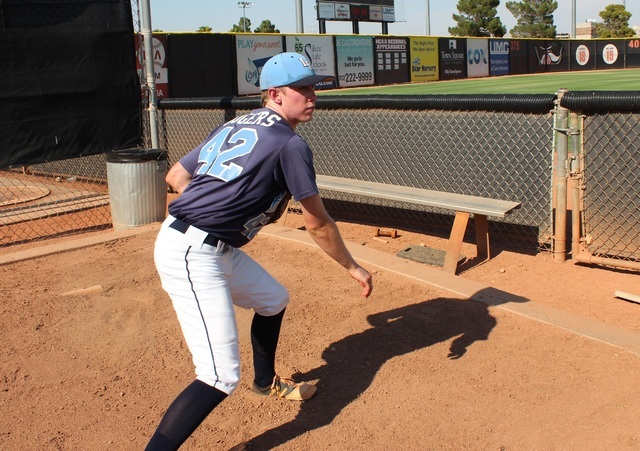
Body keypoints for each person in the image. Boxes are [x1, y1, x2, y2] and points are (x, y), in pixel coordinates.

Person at [147, 52, 373, 450]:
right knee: (218, 376)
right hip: (193, 252)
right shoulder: (289, 143)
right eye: (302, 88)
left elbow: (177, 175)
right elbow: (317, 224)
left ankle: (266, 383)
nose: (312, 95)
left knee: (273, 299)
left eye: (313, 86)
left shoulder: (235, 124)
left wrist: (216, 205)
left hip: (202, 243)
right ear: (275, 94)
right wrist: (352, 267)